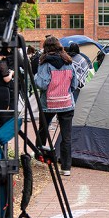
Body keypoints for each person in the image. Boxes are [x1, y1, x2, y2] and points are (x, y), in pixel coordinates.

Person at [35, 36, 77, 176]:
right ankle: (66, 167)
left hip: (48, 103)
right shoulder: (69, 62)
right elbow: (75, 84)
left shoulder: (44, 63)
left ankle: (39, 159)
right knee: (66, 137)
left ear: (46, 48)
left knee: (43, 131)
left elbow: (41, 84)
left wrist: (36, 77)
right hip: (66, 103)